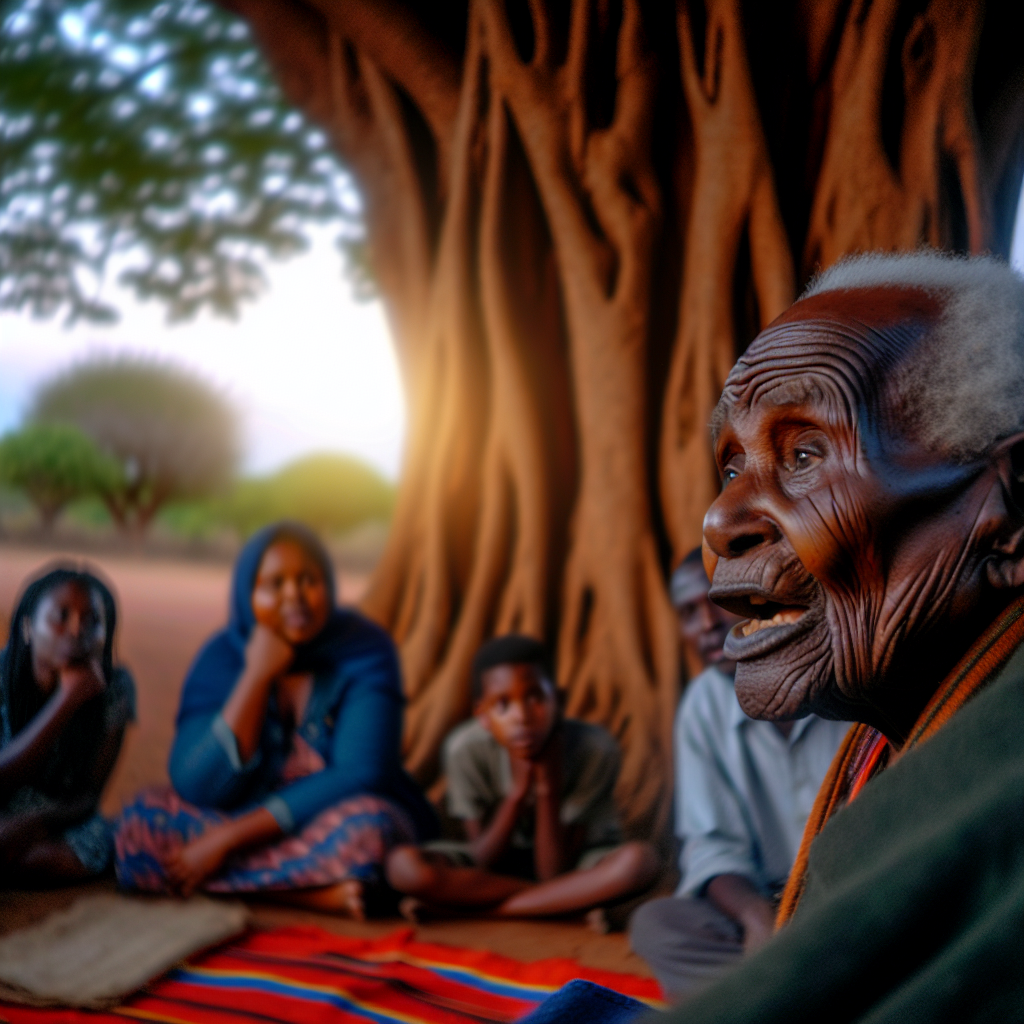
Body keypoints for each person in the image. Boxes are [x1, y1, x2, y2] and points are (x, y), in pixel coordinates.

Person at [524, 251, 1024, 1022]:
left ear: (1013, 512)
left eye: (804, 453)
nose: (720, 523)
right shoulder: (907, 715)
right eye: (732, 467)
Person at [115, 521, 436, 917]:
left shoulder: (365, 650)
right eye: (274, 584)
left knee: (368, 831)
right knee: (139, 823)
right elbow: (195, 783)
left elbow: (361, 773)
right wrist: (255, 675)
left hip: (329, 816)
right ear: (247, 594)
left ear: (328, 586)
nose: (294, 597)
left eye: (308, 580)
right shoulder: (222, 657)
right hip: (249, 812)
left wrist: (228, 840)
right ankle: (314, 895)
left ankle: (236, 881)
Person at [630, 550, 848, 999]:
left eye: (715, 601)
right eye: (687, 614)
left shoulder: (842, 676)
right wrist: (757, 921)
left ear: (760, 597)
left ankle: (761, 998)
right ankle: (799, 993)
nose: (706, 625)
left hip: (849, 895)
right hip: (765, 902)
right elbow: (715, 849)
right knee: (657, 925)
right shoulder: (702, 706)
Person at [385, 634, 660, 920]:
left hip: (574, 863)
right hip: (495, 867)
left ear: (559, 700)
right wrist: (517, 794)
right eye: (503, 705)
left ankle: (478, 907)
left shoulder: (595, 750)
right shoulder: (465, 750)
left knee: (639, 862)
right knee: (402, 866)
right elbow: (483, 861)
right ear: (483, 716)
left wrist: (547, 788)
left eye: (535, 697)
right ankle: (564, 904)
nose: (522, 717)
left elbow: (552, 871)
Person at [1, 566, 136, 883]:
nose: (77, 631)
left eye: (92, 621)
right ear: (28, 627)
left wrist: (33, 824)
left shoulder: (115, 688)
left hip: (59, 819)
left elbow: (89, 795)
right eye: (61, 616)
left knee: (62, 855)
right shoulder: (3, 678)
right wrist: (66, 701)